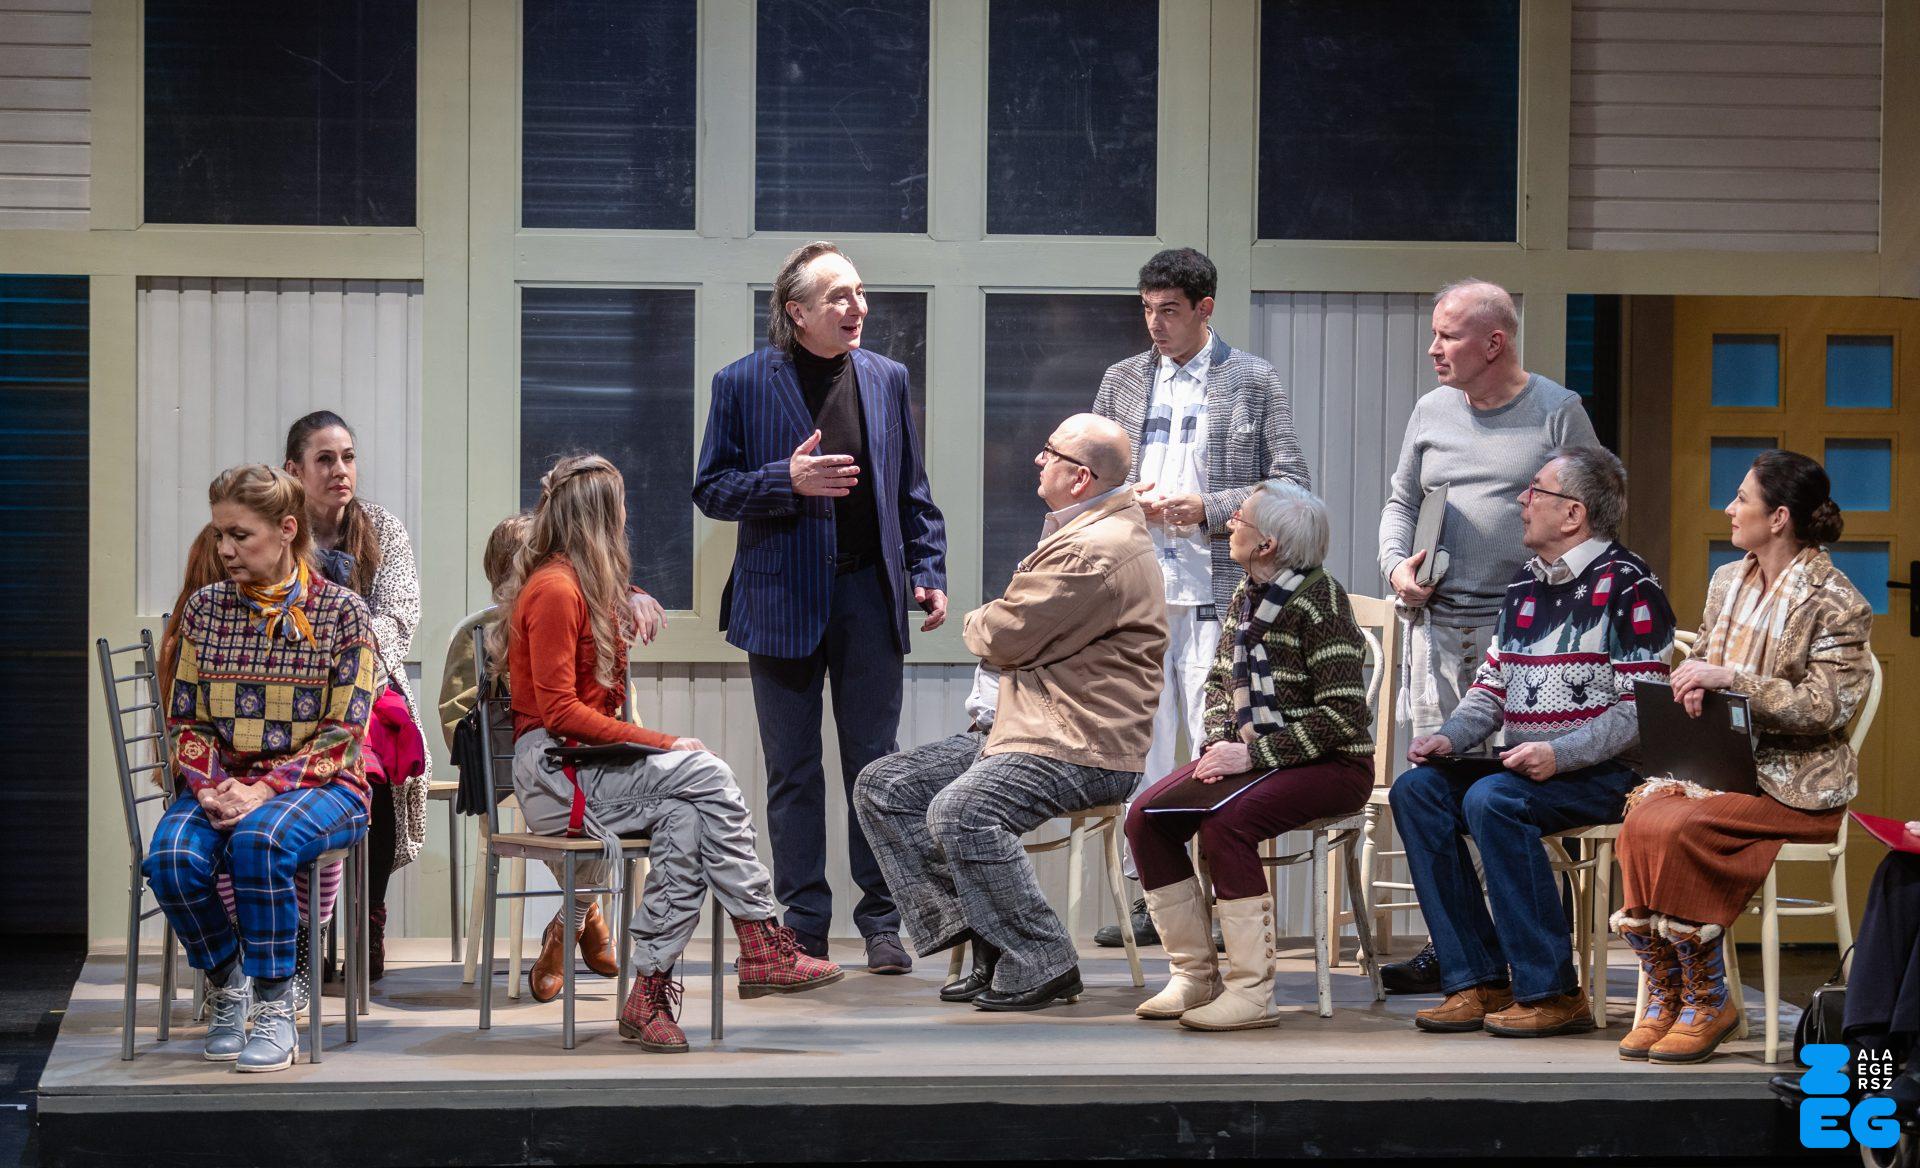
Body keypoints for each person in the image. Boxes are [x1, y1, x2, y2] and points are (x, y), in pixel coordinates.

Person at [502, 453, 840, 1054]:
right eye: (621, 506)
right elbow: (559, 713)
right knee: (707, 771)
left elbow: (603, 600)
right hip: (555, 773)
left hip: (585, 766)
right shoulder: (554, 590)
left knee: (687, 821)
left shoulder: (581, 582)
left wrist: (629, 592)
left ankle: (649, 993)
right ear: (600, 517)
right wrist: (662, 742)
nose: (626, 518)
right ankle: (761, 938)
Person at [854, 414, 1167, 1012]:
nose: (1037, 460)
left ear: (1080, 477)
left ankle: (1043, 957)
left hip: (1079, 742)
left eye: (1049, 452)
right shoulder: (1082, 530)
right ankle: (992, 938)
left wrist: (979, 620)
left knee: (962, 811)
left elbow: (1001, 635)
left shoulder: (1095, 549)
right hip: (1026, 727)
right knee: (886, 786)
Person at [693, 241, 947, 974]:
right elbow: (712, 489)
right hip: (780, 598)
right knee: (793, 770)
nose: (856, 307)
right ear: (797, 311)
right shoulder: (742, 382)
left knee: (876, 769)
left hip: (869, 594)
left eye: (859, 292)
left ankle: (881, 922)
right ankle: (803, 925)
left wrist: (927, 569)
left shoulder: (887, 378)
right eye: (838, 296)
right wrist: (786, 480)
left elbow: (912, 491)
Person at [1389, 447, 1675, 1038]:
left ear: (1573, 513)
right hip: (1528, 767)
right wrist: (1448, 736)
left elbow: (1640, 711)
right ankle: (1478, 978)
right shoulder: (1524, 584)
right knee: (1417, 791)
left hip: (1610, 774)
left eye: (1535, 490)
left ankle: (1553, 991)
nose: (1522, 500)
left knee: (1493, 799)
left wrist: (1560, 753)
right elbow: (1492, 687)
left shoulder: (1630, 585)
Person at [1375, 279, 1601, 994]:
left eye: (1448, 335)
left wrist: (1556, 599)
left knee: (1503, 795)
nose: (1434, 348)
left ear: (1494, 342)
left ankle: (1525, 951)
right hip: (1438, 631)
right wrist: (1395, 568)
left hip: (1525, 640)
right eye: (1435, 334)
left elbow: (1594, 515)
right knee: (1438, 789)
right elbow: (1401, 501)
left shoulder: (1557, 411)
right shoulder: (1432, 410)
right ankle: (1459, 952)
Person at [1612, 450, 1872, 1064]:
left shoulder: (1837, 601)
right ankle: (1671, 993)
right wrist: (1691, 683)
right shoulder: (1727, 581)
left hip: (1796, 785)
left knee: (1681, 825)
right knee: (1642, 815)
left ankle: (1711, 1000)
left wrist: (1733, 681)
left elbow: (1826, 707)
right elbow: (1705, 655)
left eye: (1742, 499)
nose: (1730, 509)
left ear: (1779, 517)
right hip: (1723, 770)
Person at [1090, 247, 1311, 950]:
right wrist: (1128, 498)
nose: (1155, 324)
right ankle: (1155, 900)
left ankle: (1220, 897)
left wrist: (1206, 508)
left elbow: (1292, 482)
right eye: (1147, 310)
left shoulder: (1251, 379)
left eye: (1170, 311)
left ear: (1204, 308)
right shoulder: (1123, 380)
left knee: (1215, 742)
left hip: (1215, 592)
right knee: (1143, 748)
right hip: (1136, 595)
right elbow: (1086, 477)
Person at [143, 465, 377, 1072]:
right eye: (219, 534)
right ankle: (230, 982)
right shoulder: (205, 610)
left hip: (325, 785)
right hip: (225, 783)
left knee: (260, 839)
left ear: (286, 530)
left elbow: (344, 736)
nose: (224, 549)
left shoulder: (343, 614)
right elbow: (186, 720)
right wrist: (210, 787)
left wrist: (264, 788)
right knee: (169, 860)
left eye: (239, 535)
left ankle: (275, 1008)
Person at [1124, 480, 1374, 1031]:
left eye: (1240, 517)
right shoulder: (1248, 592)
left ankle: (1252, 991)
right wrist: (1220, 742)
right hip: (1259, 755)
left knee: (1227, 823)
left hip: (1333, 766)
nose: (1229, 522)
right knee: (1147, 816)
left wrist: (1254, 756)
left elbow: (1343, 718)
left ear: (1267, 545)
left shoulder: (1321, 603)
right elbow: (1220, 681)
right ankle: (1194, 974)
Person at [284, 411, 431, 981]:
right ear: (294, 469)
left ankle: (368, 918)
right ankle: (306, 930)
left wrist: (350, 660)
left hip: (370, 682)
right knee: (302, 780)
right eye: (324, 459)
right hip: (291, 688)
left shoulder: (382, 529)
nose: (340, 470)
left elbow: (399, 615)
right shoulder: (280, 530)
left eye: (347, 457)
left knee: (382, 768)